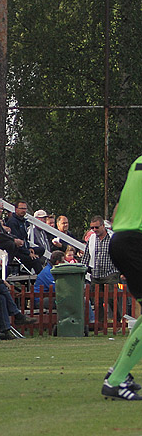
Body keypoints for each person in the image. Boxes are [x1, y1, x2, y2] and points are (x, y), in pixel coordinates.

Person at [101, 154, 142, 400]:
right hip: (136, 241)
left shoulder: (137, 160)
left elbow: (117, 209)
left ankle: (120, 372)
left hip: (121, 238)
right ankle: (116, 381)